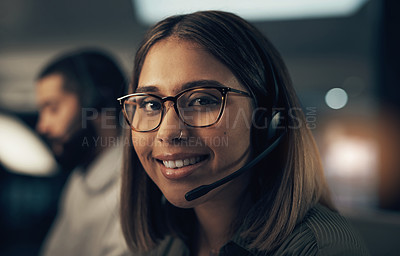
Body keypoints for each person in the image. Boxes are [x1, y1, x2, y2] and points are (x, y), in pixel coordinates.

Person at [119, 11, 370, 256]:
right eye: (151, 104)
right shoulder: (165, 246)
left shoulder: (321, 249)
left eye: (202, 100)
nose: (168, 132)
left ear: (267, 118)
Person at [36, 48, 130, 256]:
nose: (42, 126)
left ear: (97, 105)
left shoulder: (134, 185)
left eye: (53, 108)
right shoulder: (79, 180)